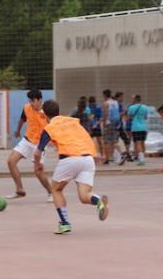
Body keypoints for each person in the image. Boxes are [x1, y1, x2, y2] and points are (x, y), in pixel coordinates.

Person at [34, 100, 109, 234]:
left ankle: (64, 223)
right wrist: (96, 154)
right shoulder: (73, 121)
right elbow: (86, 137)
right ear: (58, 111)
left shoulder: (49, 128)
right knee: (84, 195)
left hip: (70, 159)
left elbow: (38, 152)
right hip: (87, 158)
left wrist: (38, 165)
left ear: (45, 115)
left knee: (56, 190)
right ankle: (99, 202)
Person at [6, 89, 52, 202]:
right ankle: (19, 190)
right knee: (11, 161)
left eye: (33, 101)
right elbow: (22, 119)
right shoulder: (27, 107)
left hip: (40, 145)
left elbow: (54, 126)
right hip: (27, 141)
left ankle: (51, 192)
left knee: (38, 172)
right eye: (30, 101)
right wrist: (17, 130)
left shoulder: (48, 111)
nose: (31, 103)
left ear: (40, 100)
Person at [127, 95, 148, 165]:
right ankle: (143, 157)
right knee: (143, 142)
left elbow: (129, 118)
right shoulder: (145, 107)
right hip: (144, 127)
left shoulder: (131, 107)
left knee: (138, 143)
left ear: (135, 100)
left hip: (136, 127)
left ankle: (141, 159)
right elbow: (145, 117)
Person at [101, 90, 120, 164]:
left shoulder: (106, 103)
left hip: (108, 124)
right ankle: (114, 157)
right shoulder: (115, 102)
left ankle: (107, 158)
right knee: (113, 141)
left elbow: (105, 115)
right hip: (115, 123)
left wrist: (104, 124)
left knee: (106, 141)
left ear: (105, 95)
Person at [115, 92, 131, 165]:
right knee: (114, 141)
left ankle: (125, 154)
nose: (122, 99)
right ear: (117, 97)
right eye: (121, 97)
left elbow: (124, 116)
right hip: (115, 126)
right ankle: (121, 154)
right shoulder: (115, 105)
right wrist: (123, 112)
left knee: (126, 140)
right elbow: (117, 115)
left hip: (120, 125)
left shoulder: (120, 105)